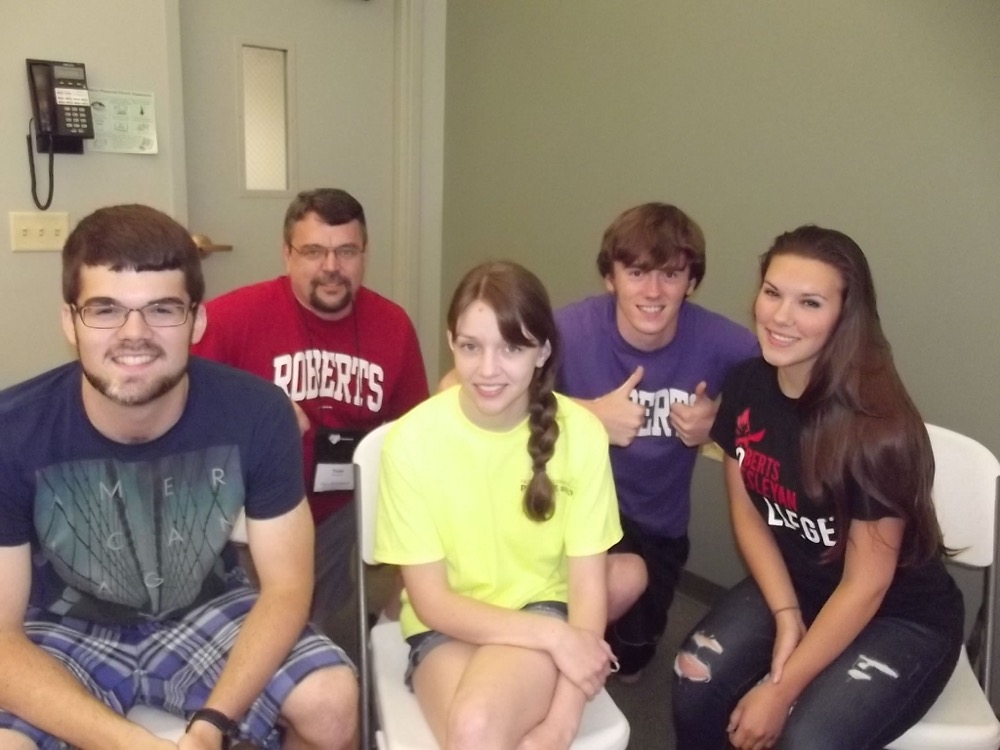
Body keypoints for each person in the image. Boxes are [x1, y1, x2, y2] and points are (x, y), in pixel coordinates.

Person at [0, 205, 357, 750]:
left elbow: (287, 589)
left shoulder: (259, 412)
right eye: (105, 309)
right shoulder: (12, 430)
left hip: (209, 610)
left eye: (163, 309)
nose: (134, 334)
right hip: (63, 627)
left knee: (332, 704)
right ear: (69, 322)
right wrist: (131, 743)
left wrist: (213, 725)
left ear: (198, 321)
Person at [672, 225, 963, 749]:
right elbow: (748, 511)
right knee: (695, 683)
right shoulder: (747, 384)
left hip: (899, 617)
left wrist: (781, 689)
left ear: (845, 317)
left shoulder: (879, 433)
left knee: (807, 739)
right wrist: (786, 614)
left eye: (809, 302)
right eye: (772, 292)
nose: (781, 316)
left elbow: (866, 585)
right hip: (800, 583)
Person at [374, 261, 622, 750]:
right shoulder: (410, 441)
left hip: (541, 607)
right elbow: (431, 602)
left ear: (543, 351)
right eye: (471, 347)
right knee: (476, 732)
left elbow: (587, 590)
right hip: (445, 627)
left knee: (475, 729)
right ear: (450, 342)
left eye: (512, 347)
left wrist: (561, 724)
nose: (487, 370)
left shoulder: (581, 435)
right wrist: (555, 641)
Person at [193, 188, 429, 629]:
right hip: (253, 510)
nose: (331, 267)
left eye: (346, 252)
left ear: (365, 254)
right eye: (314, 251)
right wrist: (259, 408)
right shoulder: (232, 317)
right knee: (258, 626)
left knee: (325, 637)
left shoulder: (393, 326)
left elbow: (416, 439)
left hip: (344, 512)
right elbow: (179, 400)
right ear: (287, 255)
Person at [556, 202, 759, 680]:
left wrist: (722, 424)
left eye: (670, 274)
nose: (653, 291)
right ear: (610, 278)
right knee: (564, 640)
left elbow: (794, 396)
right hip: (571, 513)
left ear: (691, 282)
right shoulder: (568, 330)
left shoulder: (719, 340)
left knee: (631, 663)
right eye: (637, 272)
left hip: (658, 526)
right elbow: (467, 392)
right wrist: (587, 415)